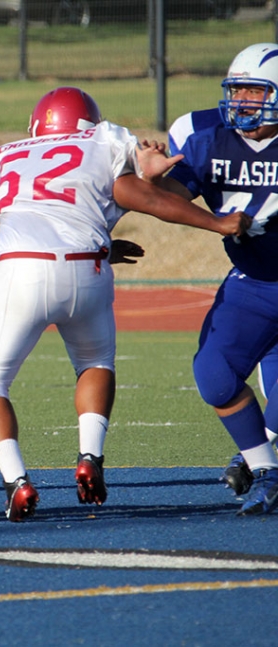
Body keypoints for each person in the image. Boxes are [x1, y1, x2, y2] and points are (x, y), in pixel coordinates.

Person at [0, 86, 250, 521]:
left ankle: (16, 482)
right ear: (89, 122)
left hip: (20, 272)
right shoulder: (103, 140)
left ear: (37, 125)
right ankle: (90, 458)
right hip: (89, 269)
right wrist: (211, 221)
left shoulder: (0, 156)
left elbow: (35, 208)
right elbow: (140, 196)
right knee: (96, 363)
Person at [145, 43, 278, 515]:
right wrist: (156, 181)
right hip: (256, 279)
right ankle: (266, 471)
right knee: (214, 375)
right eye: (237, 89)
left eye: (255, 91)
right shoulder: (203, 135)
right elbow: (172, 199)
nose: (242, 101)